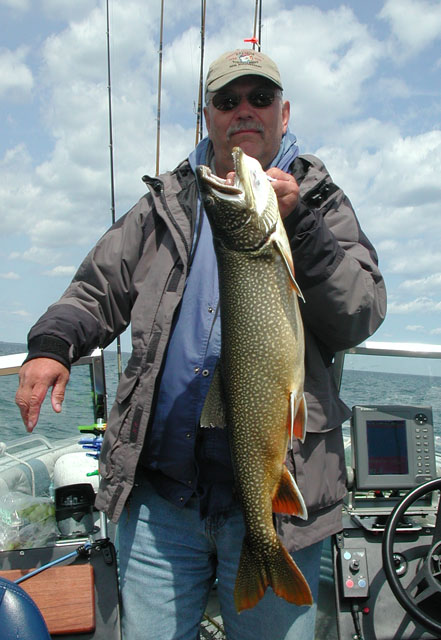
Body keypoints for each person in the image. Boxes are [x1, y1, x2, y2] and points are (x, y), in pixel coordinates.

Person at [15, 49, 386, 640]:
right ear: (207, 115)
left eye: (259, 98)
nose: (244, 110)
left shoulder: (318, 201)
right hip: (162, 500)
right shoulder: (166, 202)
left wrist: (300, 226)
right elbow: (97, 288)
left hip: (277, 504)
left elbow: (360, 312)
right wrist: (52, 344)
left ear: (284, 112)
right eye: (227, 100)